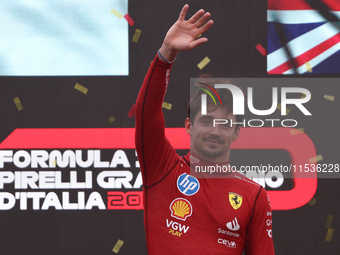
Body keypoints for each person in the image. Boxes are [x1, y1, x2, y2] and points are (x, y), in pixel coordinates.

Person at [135, 4, 275, 254]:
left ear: (236, 132)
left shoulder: (254, 195)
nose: (215, 131)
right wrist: (166, 54)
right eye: (207, 121)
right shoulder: (163, 168)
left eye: (224, 123)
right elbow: (146, 112)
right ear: (188, 126)